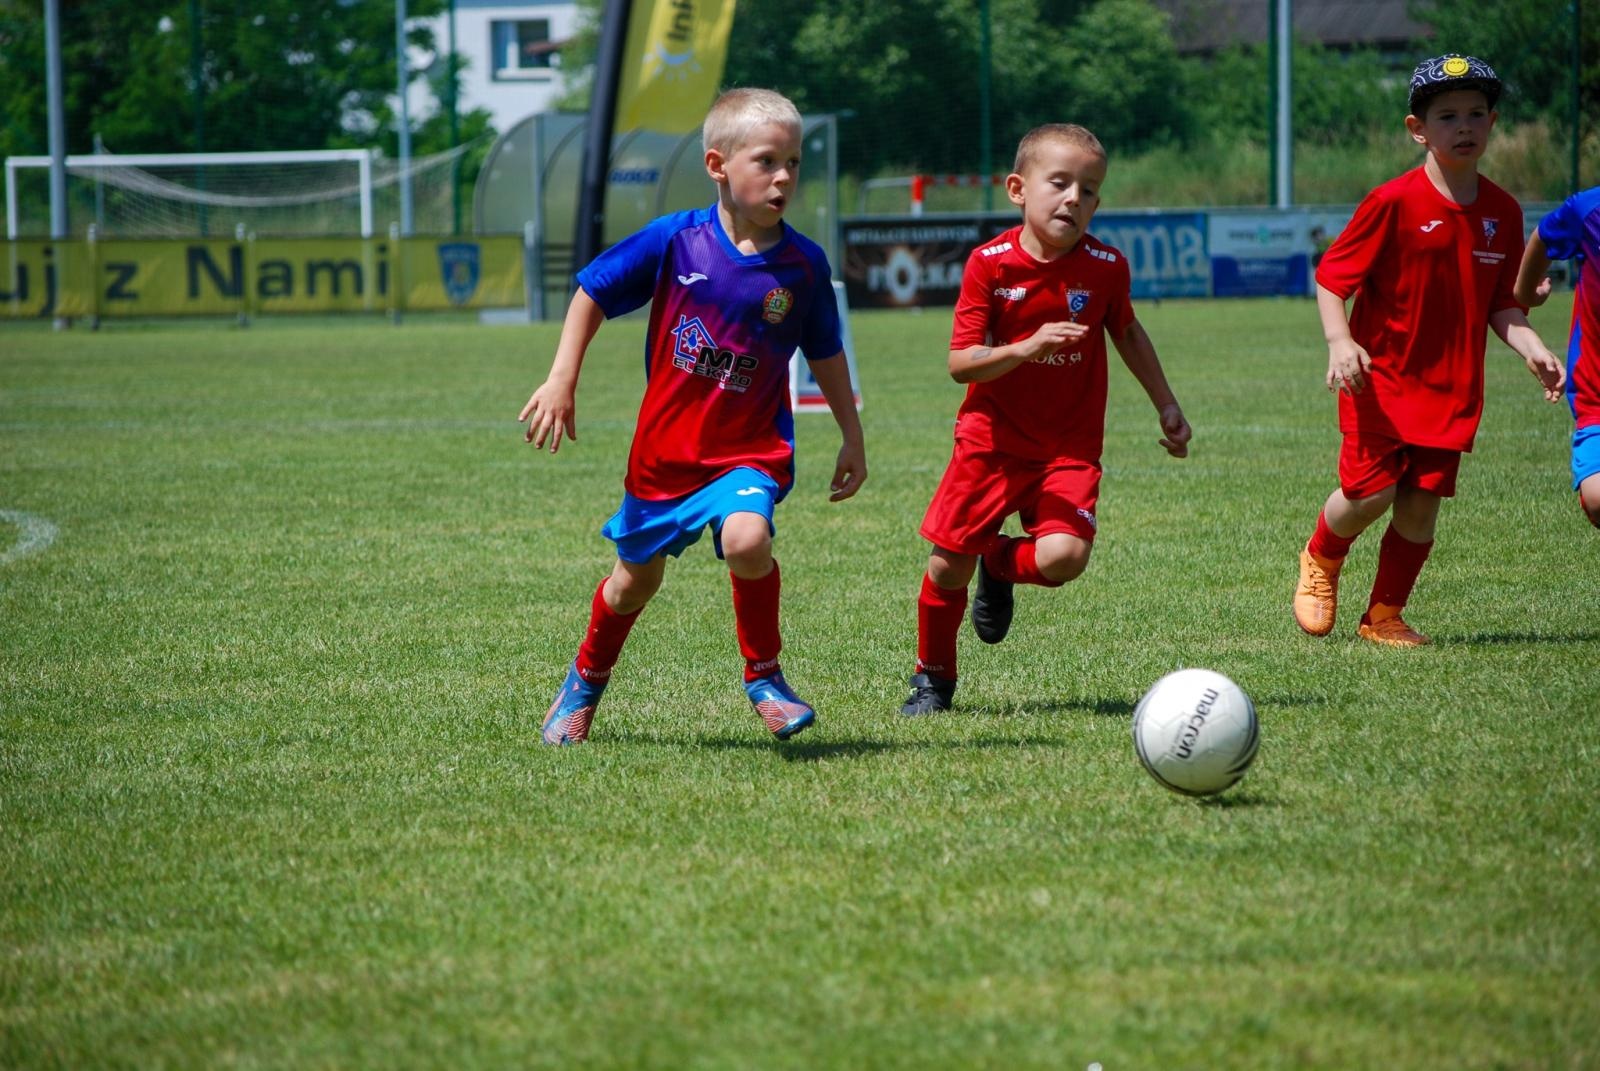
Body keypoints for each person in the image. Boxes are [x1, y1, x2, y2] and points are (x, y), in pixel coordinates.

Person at [519, 87, 867, 745]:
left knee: (746, 539)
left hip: (750, 452)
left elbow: (826, 350)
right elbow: (592, 288)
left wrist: (852, 435)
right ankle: (583, 683)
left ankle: (764, 676)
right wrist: (563, 376)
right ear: (718, 165)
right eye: (766, 161)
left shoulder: (803, 266)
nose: (784, 177)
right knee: (632, 583)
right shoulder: (678, 241)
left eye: (793, 162)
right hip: (665, 459)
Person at [900, 123, 1191, 716]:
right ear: (1018, 188)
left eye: (1088, 190)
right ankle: (933, 680)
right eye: (1059, 183)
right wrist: (1024, 348)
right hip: (991, 440)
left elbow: (1128, 332)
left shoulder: (1107, 266)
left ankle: (1000, 564)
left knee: (1064, 557)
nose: (1073, 200)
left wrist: (1165, 401)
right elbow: (961, 363)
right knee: (945, 565)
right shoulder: (990, 265)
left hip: (1068, 447)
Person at [1292, 55, 1565, 648]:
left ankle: (1383, 616)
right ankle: (1321, 556)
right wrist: (1341, 342)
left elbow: (1501, 304)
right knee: (1371, 493)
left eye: (1475, 114)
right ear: (1418, 129)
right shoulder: (1391, 202)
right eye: (1447, 116)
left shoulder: (1503, 212)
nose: (1463, 127)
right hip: (1380, 381)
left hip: (1452, 390)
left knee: (1419, 510)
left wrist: (1532, 346)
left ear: (1492, 123)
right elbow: (1332, 278)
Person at [1513, 186, 1600, 530]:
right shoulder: (1590, 209)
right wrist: (1524, 292)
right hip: (1597, 397)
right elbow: (1544, 235)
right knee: (1598, 499)